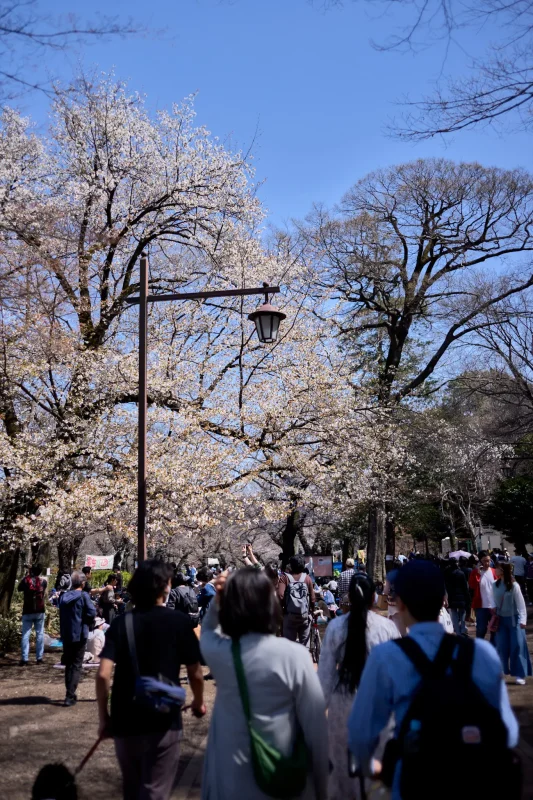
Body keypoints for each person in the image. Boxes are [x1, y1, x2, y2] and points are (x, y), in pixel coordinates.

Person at [348, 560, 519, 800]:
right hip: (477, 781)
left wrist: (374, 769)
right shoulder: (482, 653)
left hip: (415, 781)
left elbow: (360, 733)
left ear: (401, 603)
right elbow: (508, 732)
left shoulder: (386, 657)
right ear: (442, 601)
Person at [200, 567, 328, 800]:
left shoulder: (221, 654)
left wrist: (219, 599)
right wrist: (322, 788)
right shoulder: (295, 656)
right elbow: (316, 729)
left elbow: (208, 631)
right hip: (284, 783)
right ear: (271, 605)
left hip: (231, 784)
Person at [96, 559, 205, 800]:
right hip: (163, 718)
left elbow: (103, 674)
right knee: (155, 790)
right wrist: (198, 701)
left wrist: (104, 718)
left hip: (125, 716)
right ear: (166, 587)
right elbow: (195, 672)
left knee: (132, 790)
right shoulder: (179, 622)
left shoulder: (121, 623)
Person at [318, 574, 399, 800]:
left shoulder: (335, 627)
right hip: (378, 708)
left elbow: (325, 675)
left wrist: (316, 712)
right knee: (377, 771)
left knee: (344, 774)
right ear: (374, 597)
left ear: (349, 598)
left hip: (342, 706)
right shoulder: (387, 628)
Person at [59, 571, 96, 706]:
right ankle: (70, 695)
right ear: (82, 583)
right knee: (76, 664)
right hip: (80, 634)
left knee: (69, 664)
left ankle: (69, 692)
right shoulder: (83, 596)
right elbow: (92, 612)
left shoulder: (63, 597)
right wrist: (86, 621)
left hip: (66, 634)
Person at [493, 561, 532, 685]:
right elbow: (493, 602)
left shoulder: (514, 586)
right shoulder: (494, 585)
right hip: (501, 620)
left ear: (503, 570)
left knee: (517, 646)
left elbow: (521, 605)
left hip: (514, 620)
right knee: (502, 647)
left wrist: (523, 620)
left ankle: (520, 674)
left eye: (497, 568)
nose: (495, 570)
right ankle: (503, 671)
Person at [277, 554, 316, 645]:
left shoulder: (284, 578)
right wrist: (312, 610)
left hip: (289, 615)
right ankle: (305, 657)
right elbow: (313, 598)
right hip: (304, 616)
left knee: (289, 645)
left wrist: (282, 610)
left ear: (291, 565)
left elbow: (280, 595)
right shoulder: (307, 578)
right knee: (305, 644)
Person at [18, 564, 47, 666]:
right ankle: (39, 658)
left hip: (27, 610)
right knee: (40, 634)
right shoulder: (43, 581)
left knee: (26, 635)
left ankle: (24, 658)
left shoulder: (26, 580)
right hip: (40, 611)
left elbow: (19, 588)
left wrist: (26, 576)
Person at [468, 551, 497, 639]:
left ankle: (494, 650)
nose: (487, 563)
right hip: (481, 606)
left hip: (494, 606)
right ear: (480, 561)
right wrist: (478, 573)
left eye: (488, 560)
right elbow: (472, 585)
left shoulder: (494, 572)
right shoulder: (475, 573)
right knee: (481, 629)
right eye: (484, 561)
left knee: (494, 630)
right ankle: (479, 649)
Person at [444, 558, 470, 635]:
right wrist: (467, 597)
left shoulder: (447, 573)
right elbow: (465, 587)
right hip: (461, 595)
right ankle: (462, 627)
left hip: (451, 596)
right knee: (462, 612)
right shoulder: (461, 573)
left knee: (454, 613)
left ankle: (457, 631)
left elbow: (445, 585)